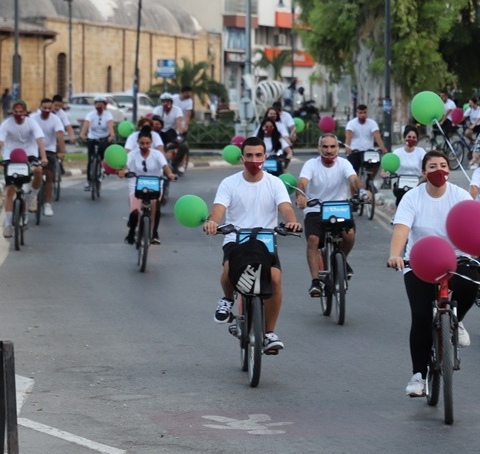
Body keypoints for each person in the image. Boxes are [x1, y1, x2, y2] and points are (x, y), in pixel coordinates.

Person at [388, 150, 480, 395]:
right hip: (421, 260)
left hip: (456, 258)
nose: (439, 170)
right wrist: (395, 254)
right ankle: (418, 376)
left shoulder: (460, 195)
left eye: (443, 165)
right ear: (423, 172)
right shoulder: (412, 198)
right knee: (421, 316)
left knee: (470, 285)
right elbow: (401, 230)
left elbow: (479, 225)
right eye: (433, 166)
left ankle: (457, 321)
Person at [203, 137, 302, 354]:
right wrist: (213, 222)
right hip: (236, 238)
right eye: (249, 155)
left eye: (258, 155)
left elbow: (286, 208)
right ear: (242, 158)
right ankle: (227, 299)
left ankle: (269, 333)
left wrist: (292, 221)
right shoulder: (229, 183)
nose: (254, 160)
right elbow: (218, 209)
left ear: (265, 157)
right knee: (229, 270)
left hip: (265, 241)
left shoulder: (275, 183)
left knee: (275, 279)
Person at [296, 133, 369, 297]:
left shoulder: (344, 163)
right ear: (319, 148)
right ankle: (315, 281)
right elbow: (302, 183)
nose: (329, 150)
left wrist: (362, 191)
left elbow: (354, 179)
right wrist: (301, 196)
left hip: (339, 208)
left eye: (332, 146)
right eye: (325, 147)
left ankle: (341, 261)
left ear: (338, 148)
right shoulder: (311, 164)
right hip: (316, 209)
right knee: (313, 240)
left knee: (349, 235)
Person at [0, 101, 49, 238]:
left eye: (21, 112)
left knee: (38, 171)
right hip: (11, 156)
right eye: (16, 112)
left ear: (25, 112)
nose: (18, 114)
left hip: (29, 155)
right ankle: (8, 225)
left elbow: (40, 141)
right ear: (12, 112)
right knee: (10, 190)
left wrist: (43, 157)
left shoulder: (32, 123)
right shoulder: (7, 124)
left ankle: (33, 197)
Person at [118, 128, 177, 245]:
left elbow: (165, 166)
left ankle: (154, 233)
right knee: (135, 211)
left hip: (154, 185)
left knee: (155, 206)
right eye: (142, 143)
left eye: (147, 143)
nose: (144, 146)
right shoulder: (132, 154)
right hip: (136, 185)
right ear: (137, 143)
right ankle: (131, 232)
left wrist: (170, 175)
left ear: (151, 143)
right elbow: (125, 167)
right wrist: (123, 172)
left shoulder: (157, 154)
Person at [30, 98, 66, 217]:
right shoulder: (33, 118)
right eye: (44, 108)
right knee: (31, 173)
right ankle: (32, 195)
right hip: (34, 149)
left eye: (49, 108)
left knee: (49, 176)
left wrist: (61, 151)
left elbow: (60, 135)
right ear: (40, 107)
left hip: (49, 149)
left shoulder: (55, 119)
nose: (46, 110)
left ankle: (47, 204)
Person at [79, 96, 116, 191]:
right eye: (97, 104)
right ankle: (89, 181)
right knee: (91, 159)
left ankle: (102, 170)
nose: (99, 106)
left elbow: (110, 126)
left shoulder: (108, 115)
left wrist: (111, 135)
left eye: (101, 104)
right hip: (92, 137)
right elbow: (86, 125)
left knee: (102, 155)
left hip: (104, 138)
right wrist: (82, 135)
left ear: (104, 105)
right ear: (94, 105)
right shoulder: (91, 114)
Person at [344, 104, 387, 177]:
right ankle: (355, 182)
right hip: (355, 151)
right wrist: (347, 148)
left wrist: (383, 148)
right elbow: (348, 137)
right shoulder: (351, 124)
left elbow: (377, 136)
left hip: (368, 151)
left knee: (376, 163)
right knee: (353, 171)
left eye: (364, 112)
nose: (362, 115)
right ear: (357, 113)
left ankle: (370, 180)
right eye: (360, 113)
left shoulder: (372, 123)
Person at [390, 125, 425, 206]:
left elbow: (427, 164)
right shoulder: (397, 152)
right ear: (404, 138)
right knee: (400, 201)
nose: (411, 139)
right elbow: (389, 166)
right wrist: (385, 173)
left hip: (417, 183)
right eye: (409, 137)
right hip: (401, 185)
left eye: (414, 137)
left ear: (417, 139)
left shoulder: (421, 152)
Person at [153, 93, 188, 173]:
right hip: (160, 132)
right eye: (164, 102)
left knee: (184, 145)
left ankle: (175, 164)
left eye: (168, 102)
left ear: (171, 102)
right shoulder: (157, 110)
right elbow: (154, 122)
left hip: (172, 132)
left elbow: (179, 124)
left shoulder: (177, 110)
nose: (166, 104)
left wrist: (180, 136)